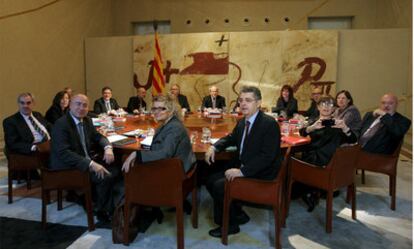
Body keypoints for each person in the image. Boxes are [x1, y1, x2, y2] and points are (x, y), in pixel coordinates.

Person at [204, 86, 281, 238]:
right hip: (245, 165)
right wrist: (214, 146)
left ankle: (229, 225)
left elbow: (267, 157)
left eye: (248, 100)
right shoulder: (242, 122)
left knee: (220, 187)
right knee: (209, 179)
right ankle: (237, 214)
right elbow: (230, 138)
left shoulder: (269, 124)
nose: (243, 104)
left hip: (261, 174)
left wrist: (242, 172)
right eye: (241, 100)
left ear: (258, 103)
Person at [122, 94, 196, 221]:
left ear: (171, 110)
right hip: (170, 166)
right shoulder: (167, 123)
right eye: (154, 108)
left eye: (161, 108)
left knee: (128, 173)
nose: (156, 112)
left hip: (175, 173)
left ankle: (131, 212)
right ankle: (146, 207)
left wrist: (137, 154)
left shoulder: (174, 128)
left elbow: (165, 153)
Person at [50, 94, 119, 224]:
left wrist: (107, 148)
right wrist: (91, 164)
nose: (81, 108)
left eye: (85, 105)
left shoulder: (86, 120)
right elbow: (64, 153)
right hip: (66, 168)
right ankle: (102, 211)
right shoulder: (61, 124)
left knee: (115, 168)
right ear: (70, 105)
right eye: (78, 104)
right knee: (106, 176)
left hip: (82, 160)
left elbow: (99, 137)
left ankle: (95, 200)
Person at [297, 96, 357, 211]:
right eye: (323, 104)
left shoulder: (338, 125)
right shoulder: (313, 121)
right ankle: (313, 190)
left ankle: (309, 191)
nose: (326, 107)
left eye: (330, 105)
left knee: (292, 160)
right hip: (318, 159)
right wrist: (312, 128)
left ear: (334, 109)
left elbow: (353, 140)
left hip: (323, 162)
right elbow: (302, 132)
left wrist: (345, 128)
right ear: (318, 107)